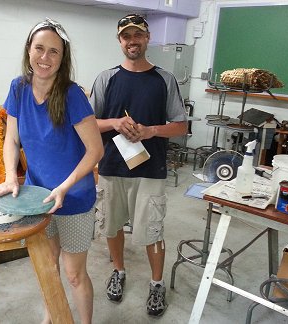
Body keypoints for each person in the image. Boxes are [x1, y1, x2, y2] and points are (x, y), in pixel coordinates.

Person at [0, 18, 103, 324]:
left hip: (73, 198)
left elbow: (95, 150)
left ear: (63, 59)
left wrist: (64, 187)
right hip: (38, 197)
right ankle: (51, 318)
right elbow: (11, 138)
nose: (45, 58)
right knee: (48, 266)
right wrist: (12, 176)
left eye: (54, 52)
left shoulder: (72, 94)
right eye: (40, 48)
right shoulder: (19, 88)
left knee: (74, 274)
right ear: (29, 50)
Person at [89, 13, 188, 317]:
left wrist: (151, 131)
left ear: (148, 38)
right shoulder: (107, 78)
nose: (132, 41)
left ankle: (157, 283)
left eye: (138, 35)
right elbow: (89, 122)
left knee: (152, 230)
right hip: (112, 168)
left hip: (150, 170)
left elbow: (181, 126)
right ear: (120, 41)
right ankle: (119, 271)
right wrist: (116, 123)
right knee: (112, 224)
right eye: (126, 36)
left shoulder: (164, 79)